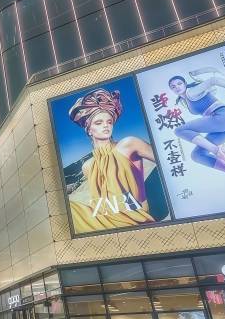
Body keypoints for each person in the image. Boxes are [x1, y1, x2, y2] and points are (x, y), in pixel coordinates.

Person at [67, 88, 158, 233]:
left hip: (134, 219)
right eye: (98, 122)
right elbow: (102, 201)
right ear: (89, 129)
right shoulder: (87, 166)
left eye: (109, 122)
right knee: (68, 209)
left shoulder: (128, 144)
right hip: (105, 219)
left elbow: (163, 158)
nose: (106, 125)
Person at [169, 69, 225, 172]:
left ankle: (217, 151)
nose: (177, 87)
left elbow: (213, 80)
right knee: (197, 155)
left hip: (223, 116)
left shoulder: (191, 92)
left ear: (185, 84)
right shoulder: (185, 101)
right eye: (173, 86)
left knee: (179, 130)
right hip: (220, 126)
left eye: (179, 83)